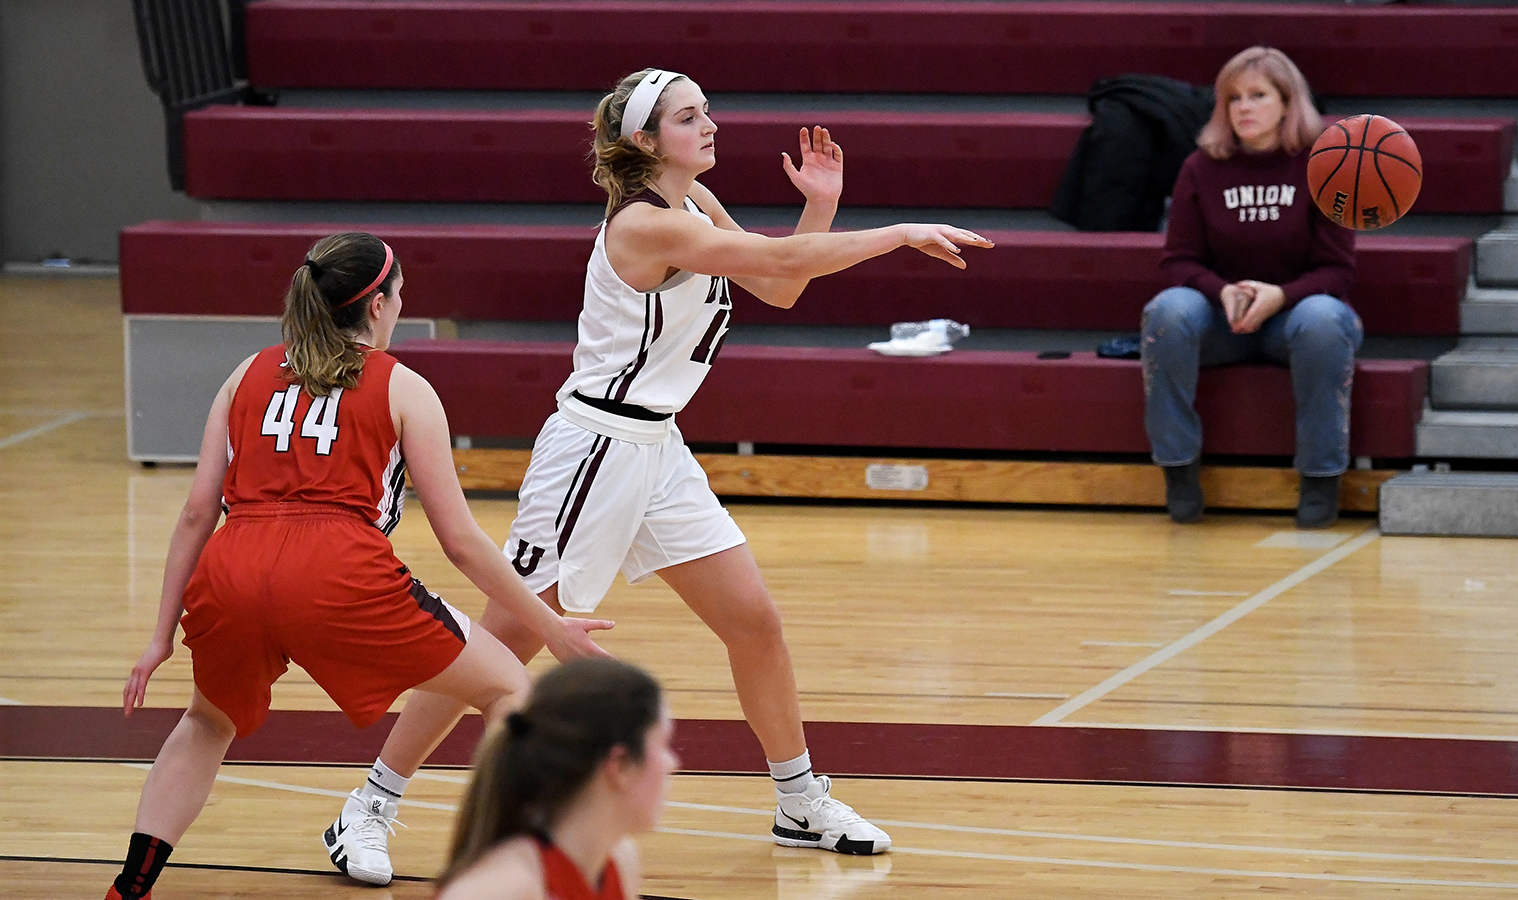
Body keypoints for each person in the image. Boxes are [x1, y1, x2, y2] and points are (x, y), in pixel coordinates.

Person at [326, 67, 993, 880]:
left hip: (657, 449)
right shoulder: (645, 226)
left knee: (755, 623)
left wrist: (820, 206)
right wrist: (895, 232)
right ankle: (368, 807)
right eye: (688, 116)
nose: (710, 124)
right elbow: (778, 262)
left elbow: (778, 280)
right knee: (500, 639)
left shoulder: (697, 206)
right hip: (594, 451)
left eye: (709, 110)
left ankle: (799, 800)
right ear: (645, 141)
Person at [106, 232, 614, 900]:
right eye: (400, 294)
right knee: (507, 690)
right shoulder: (403, 387)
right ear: (377, 306)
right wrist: (550, 627)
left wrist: (158, 636)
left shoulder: (247, 372)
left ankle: (130, 887)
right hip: (337, 572)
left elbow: (198, 512)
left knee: (206, 723)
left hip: (233, 566)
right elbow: (459, 540)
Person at [1140, 46, 1361, 529]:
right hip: (1223, 319)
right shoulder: (1200, 167)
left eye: (1258, 95)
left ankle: (1320, 478)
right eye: (1233, 98)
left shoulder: (1323, 164)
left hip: (1293, 319)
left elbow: (1338, 270)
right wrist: (1221, 291)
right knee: (1168, 310)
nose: (1244, 107)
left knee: (1324, 318)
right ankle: (1178, 469)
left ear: (1287, 102)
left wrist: (1281, 295)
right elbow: (1177, 260)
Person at [433, 658, 672, 900]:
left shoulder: (619, 860)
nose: (672, 763)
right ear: (620, 765)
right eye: (662, 744)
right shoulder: (503, 888)